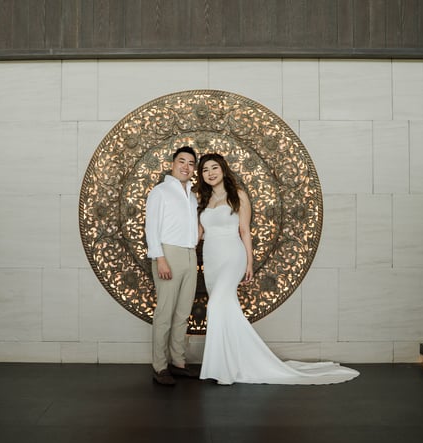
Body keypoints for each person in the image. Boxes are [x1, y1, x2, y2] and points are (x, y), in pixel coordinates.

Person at [196, 153, 359, 385]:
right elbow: (198, 235)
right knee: (226, 310)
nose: (210, 173)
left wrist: (249, 262)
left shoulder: (238, 195)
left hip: (232, 256)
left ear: (223, 170)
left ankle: (222, 368)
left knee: (216, 306)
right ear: (201, 175)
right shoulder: (202, 200)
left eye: (214, 168)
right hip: (211, 259)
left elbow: (244, 231)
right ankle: (229, 364)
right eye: (205, 170)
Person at [145, 146, 201, 386]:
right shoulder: (160, 191)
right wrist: (160, 258)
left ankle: (178, 362)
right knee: (165, 313)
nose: (186, 166)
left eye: (190, 163)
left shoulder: (192, 195)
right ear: (172, 164)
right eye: (182, 161)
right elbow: (151, 227)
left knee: (182, 313)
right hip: (168, 254)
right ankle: (160, 366)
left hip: (190, 256)